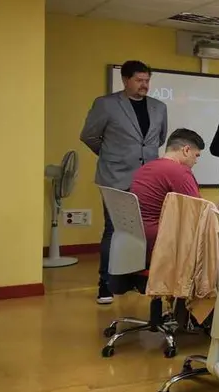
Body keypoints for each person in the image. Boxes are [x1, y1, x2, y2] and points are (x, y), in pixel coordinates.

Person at [80, 59, 168, 305]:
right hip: (116, 177)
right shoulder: (106, 104)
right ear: (125, 80)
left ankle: (137, 279)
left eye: (147, 80)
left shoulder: (159, 107)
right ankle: (106, 284)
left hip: (148, 180)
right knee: (114, 230)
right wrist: (112, 154)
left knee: (146, 230)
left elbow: (159, 139)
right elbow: (89, 136)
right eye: (139, 80)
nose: (144, 85)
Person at [128, 129, 204, 257]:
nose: (195, 161)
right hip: (161, 241)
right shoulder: (179, 172)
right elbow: (199, 212)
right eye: (196, 155)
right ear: (186, 150)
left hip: (136, 236)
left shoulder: (146, 167)